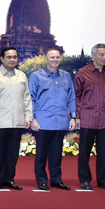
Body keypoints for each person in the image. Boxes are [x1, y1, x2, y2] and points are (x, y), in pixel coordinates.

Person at [0, 47, 32, 190]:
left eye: (14, 57)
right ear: (2, 58)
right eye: (9, 57)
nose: (12, 60)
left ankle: (9, 179)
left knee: (13, 152)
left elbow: (26, 98)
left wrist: (28, 116)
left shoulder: (22, 76)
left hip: (17, 120)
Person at [29, 48, 76, 191]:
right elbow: (31, 98)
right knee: (42, 154)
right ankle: (42, 180)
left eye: (57, 57)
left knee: (56, 154)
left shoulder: (66, 76)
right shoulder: (36, 76)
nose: (55, 60)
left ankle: (56, 180)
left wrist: (73, 117)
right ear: (46, 59)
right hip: (43, 121)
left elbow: (71, 97)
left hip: (61, 121)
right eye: (52, 57)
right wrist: (33, 119)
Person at [74, 43, 105, 191]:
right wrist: (77, 116)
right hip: (88, 117)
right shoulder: (82, 72)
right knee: (84, 152)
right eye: (101, 54)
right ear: (93, 55)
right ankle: (85, 180)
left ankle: (103, 180)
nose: (104, 57)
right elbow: (76, 96)